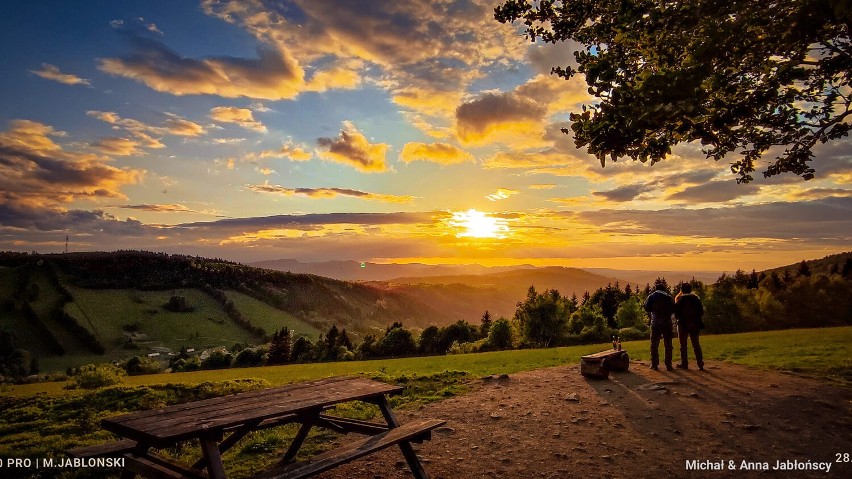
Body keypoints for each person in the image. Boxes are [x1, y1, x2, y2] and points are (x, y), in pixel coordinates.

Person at [644, 284, 674, 371]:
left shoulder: (651, 297)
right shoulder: (668, 297)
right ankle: (668, 364)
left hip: (655, 322)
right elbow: (673, 309)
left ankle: (654, 364)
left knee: (654, 344)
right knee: (668, 344)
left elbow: (646, 307)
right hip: (667, 323)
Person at [674, 283, 705, 370]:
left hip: (683, 324)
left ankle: (684, 363)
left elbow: (676, 313)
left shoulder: (679, 299)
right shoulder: (696, 299)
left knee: (683, 345)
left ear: (682, 290)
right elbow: (701, 312)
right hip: (695, 324)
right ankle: (700, 363)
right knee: (696, 344)